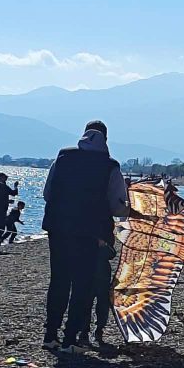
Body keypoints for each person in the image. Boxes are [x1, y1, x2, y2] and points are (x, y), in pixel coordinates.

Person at [42, 120, 128, 352]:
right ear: (106, 139)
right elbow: (118, 207)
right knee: (82, 285)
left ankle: (50, 335)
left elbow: (47, 193)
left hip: (58, 229)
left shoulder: (62, 157)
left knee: (59, 281)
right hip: (90, 234)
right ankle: (71, 339)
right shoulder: (110, 166)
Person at [90, 234, 117, 345]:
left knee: (102, 301)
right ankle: (87, 331)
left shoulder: (105, 226)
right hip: (92, 269)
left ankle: (98, 329)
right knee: (90, 301)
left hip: (101, 271)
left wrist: (104, 244)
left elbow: (111, 253)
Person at [0, 172, 19, 253]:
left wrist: (7, 201)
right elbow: (14, 193)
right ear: (0, 178)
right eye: (4, 177)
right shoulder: (2, 187)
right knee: (0, 229)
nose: (6, 178)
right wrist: (15, 186)